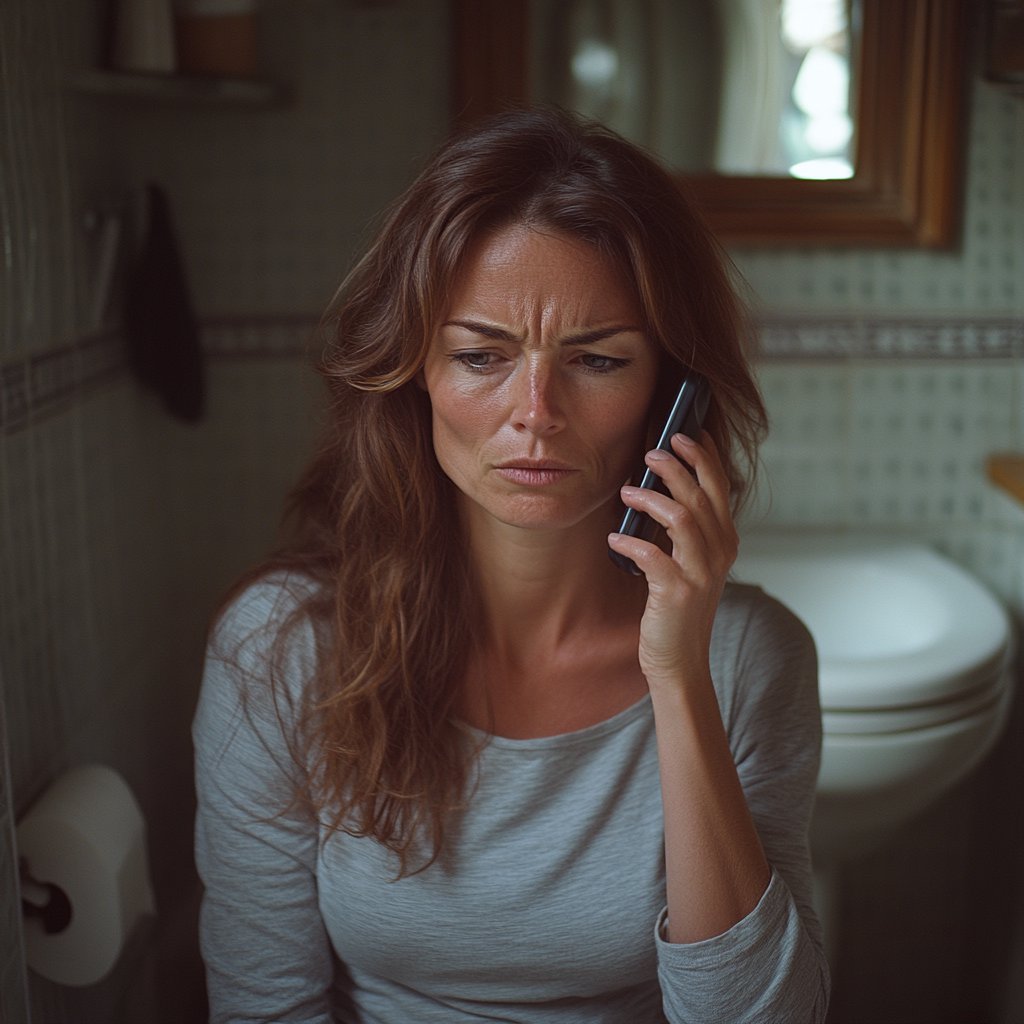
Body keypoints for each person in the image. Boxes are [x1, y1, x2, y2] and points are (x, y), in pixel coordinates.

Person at [193, 106, 830, 1023]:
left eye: (599, 360)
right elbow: (264, 1002)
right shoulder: (278, 650)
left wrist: (679, 674)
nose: (535, 411)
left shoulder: (750, 657)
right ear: (413, 370)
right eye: (481, 355)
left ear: (671, 394)